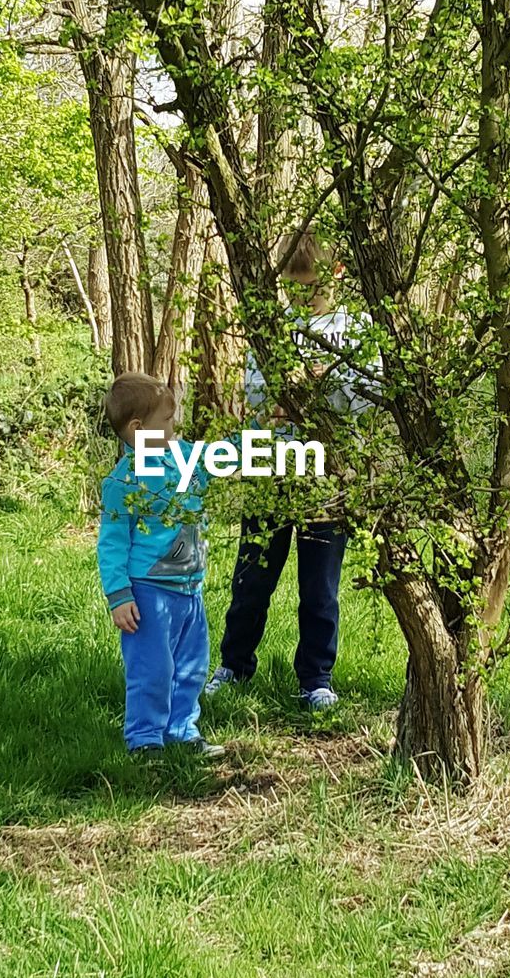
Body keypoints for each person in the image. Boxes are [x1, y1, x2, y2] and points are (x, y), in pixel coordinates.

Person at [205, 231, 377, 710]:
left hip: (328, 471)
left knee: (319, 585)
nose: (302, 298)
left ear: (337, 274)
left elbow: (365, 395)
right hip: (271, 465)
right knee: (253, 574)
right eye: (293, 289)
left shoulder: (356, 329)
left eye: (311, 288)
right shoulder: (274, 328)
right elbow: (259, 397)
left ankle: (316, 678)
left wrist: (323, 384)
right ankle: (234, 664)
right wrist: (291, 391)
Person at [97, 372, 225, 756]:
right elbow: (113, 543)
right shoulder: (125, 482)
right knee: (152, 671)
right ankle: (145, 740)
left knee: (191, 669)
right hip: (150, 594)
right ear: (138, 430)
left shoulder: (184, 457)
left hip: (190, 589)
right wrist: (119, 596)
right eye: (166, 422)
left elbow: (227, 455)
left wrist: (264, 427)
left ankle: (182, 730)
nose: (174, 427)